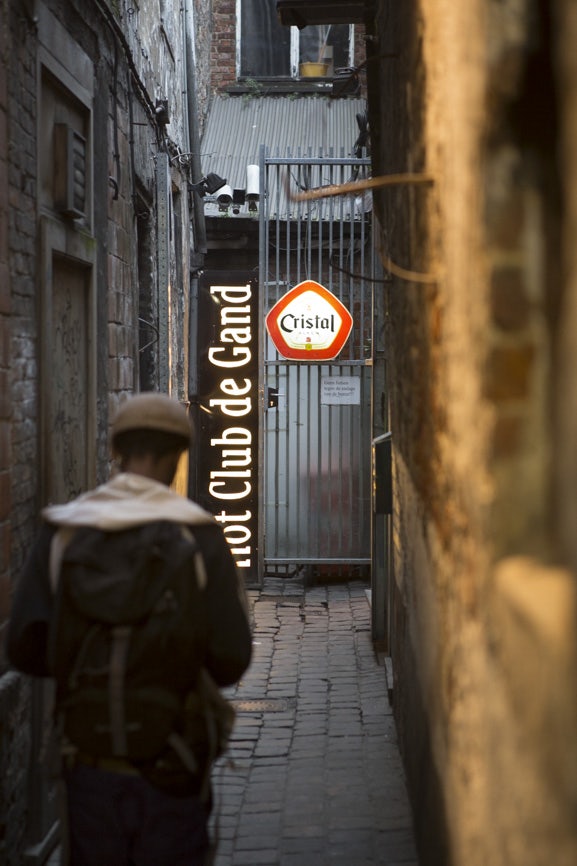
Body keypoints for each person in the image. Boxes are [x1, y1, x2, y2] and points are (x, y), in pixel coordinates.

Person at [6, 392, 252, 866]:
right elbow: (230, 658)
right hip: (174, 762)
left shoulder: (65, 531)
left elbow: (24, 648)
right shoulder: (197, 534)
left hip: (88, 764)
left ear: (116, 451)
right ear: (179, 456)